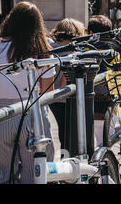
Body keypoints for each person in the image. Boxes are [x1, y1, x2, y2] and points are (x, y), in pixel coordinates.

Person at [0, 2, 56, 184]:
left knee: (1, 172)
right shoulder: (43, 49)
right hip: (34, 111)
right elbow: (48, 89)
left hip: (1, 113)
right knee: (35, 172)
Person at [49, 18, 86, 146]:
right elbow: (66, 75)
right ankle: (70, 157)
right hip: (70, 96)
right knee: (73, 131)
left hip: (53, 97)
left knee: (62, 130)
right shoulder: (75, 50)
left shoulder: (50, 48)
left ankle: (65, 155)